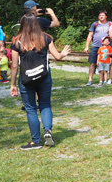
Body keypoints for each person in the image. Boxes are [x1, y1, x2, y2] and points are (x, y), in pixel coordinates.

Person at [9, 14, 70, 150]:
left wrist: (13, 84)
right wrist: (63, 53)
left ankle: (35, 141)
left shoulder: (17, 42)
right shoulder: (46, 37)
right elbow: (57, 56)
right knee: (45, 104)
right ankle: (47, 131)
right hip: (44, 77)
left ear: (22, 25)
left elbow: (14, 66)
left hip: (26, 80)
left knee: (31, 109)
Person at [83, 11, 112, 86]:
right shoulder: (95, 24)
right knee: (92, 63)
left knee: (105, 63)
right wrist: (87, 46)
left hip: (105, 47)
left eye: (103, 15)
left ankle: (104, 80)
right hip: (95, 46)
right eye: (100, 15)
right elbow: (90, 35)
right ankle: (90, 79)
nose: (101, 16)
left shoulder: (109, 24)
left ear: (106, 16)